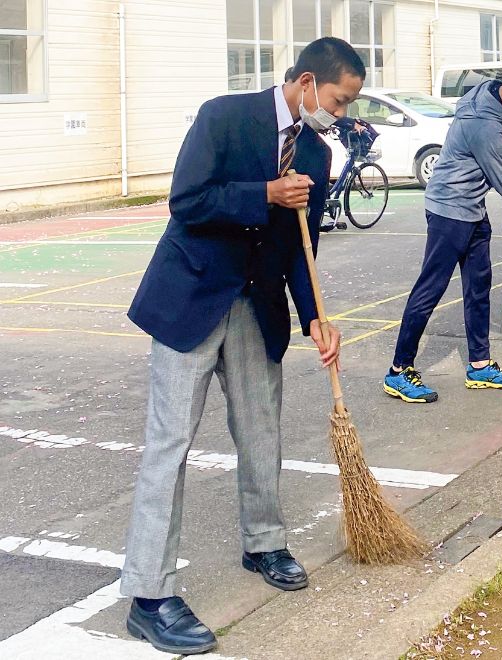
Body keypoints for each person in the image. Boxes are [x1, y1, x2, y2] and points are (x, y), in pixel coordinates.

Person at [121, 37, 362, 654]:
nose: (339, 115)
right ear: (307, 82)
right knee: (169, 444)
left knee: (262, 429)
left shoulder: (315, 150)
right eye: (337, 101)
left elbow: (298, 245)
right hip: (191, 299)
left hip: (257, 308)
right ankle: (149, 595)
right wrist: (263, 193)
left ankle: (264, 542)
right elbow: (187, 202)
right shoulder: (224, 115)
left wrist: (314, 318)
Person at [383, 58, 502, 403]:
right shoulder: (485, 126)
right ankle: (398, 370)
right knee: (430, 289)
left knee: (478, 287)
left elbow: (495, 120)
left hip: (473, 210)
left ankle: (479, 365)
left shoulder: (487, 95)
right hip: (449, 210)